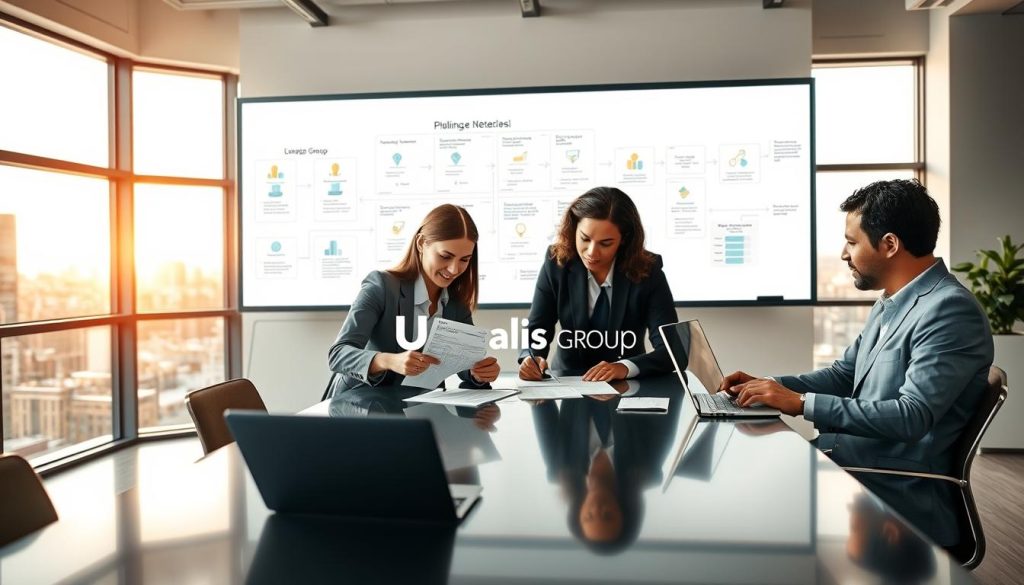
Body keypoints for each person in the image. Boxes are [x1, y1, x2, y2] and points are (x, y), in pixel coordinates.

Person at [719, 179, 994, 546]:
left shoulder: (949, 310)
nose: (844, 254)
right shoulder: (890, 302)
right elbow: (845, 374)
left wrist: (800, 404)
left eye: (851, 242)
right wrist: (770, 385)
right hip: (851, 462)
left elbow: (912, 416)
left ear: (890, 244)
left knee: (743, 500)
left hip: (892, 490)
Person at [325, 204, 500, 397]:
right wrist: (388, 361)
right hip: (362, 405)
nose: (454, 269)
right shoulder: (381, 286)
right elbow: (338, 355)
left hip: (422, 407)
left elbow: (462, 363)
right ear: (421, 244)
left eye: (464, 260)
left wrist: (478, 373)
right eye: (445, 256)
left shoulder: (456, 303)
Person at [518, 186, 677, 382]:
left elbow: (673, 351)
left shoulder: (647, 271)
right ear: (574, 228)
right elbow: (537, 329)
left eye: (606, 243)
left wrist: (624, 367)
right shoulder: (556, 262)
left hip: (627, 387)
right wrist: (531, 357)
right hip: (568, 383)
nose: (591, 252)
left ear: (624, 239)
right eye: (585, 239)